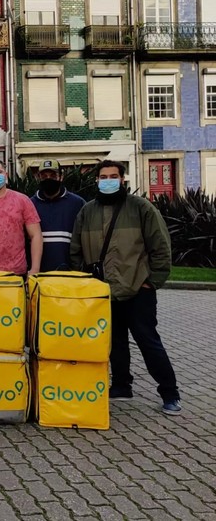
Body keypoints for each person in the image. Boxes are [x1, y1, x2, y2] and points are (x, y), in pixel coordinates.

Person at [69, 160, 180, 415]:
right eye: (103, 176)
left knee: (148, 341)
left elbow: (160, 247)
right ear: (96, 180)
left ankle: (170, 392)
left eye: (113, 176)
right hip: (102, 291)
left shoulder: (141, 208)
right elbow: (75, 249)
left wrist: (151, 282)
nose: (108, 180)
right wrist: (82, 279)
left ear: (122, 179)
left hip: (137, 290)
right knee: (114, 342)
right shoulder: (87, 211)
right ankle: (121, 386)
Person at [31, 159, 85, 272]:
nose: (48, 179)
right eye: (44, 176)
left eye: (53, 175)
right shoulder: (30, 204)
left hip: (69, 272)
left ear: (61, 177)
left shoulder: (77, 203)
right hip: (38, 274)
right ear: (38, 177)